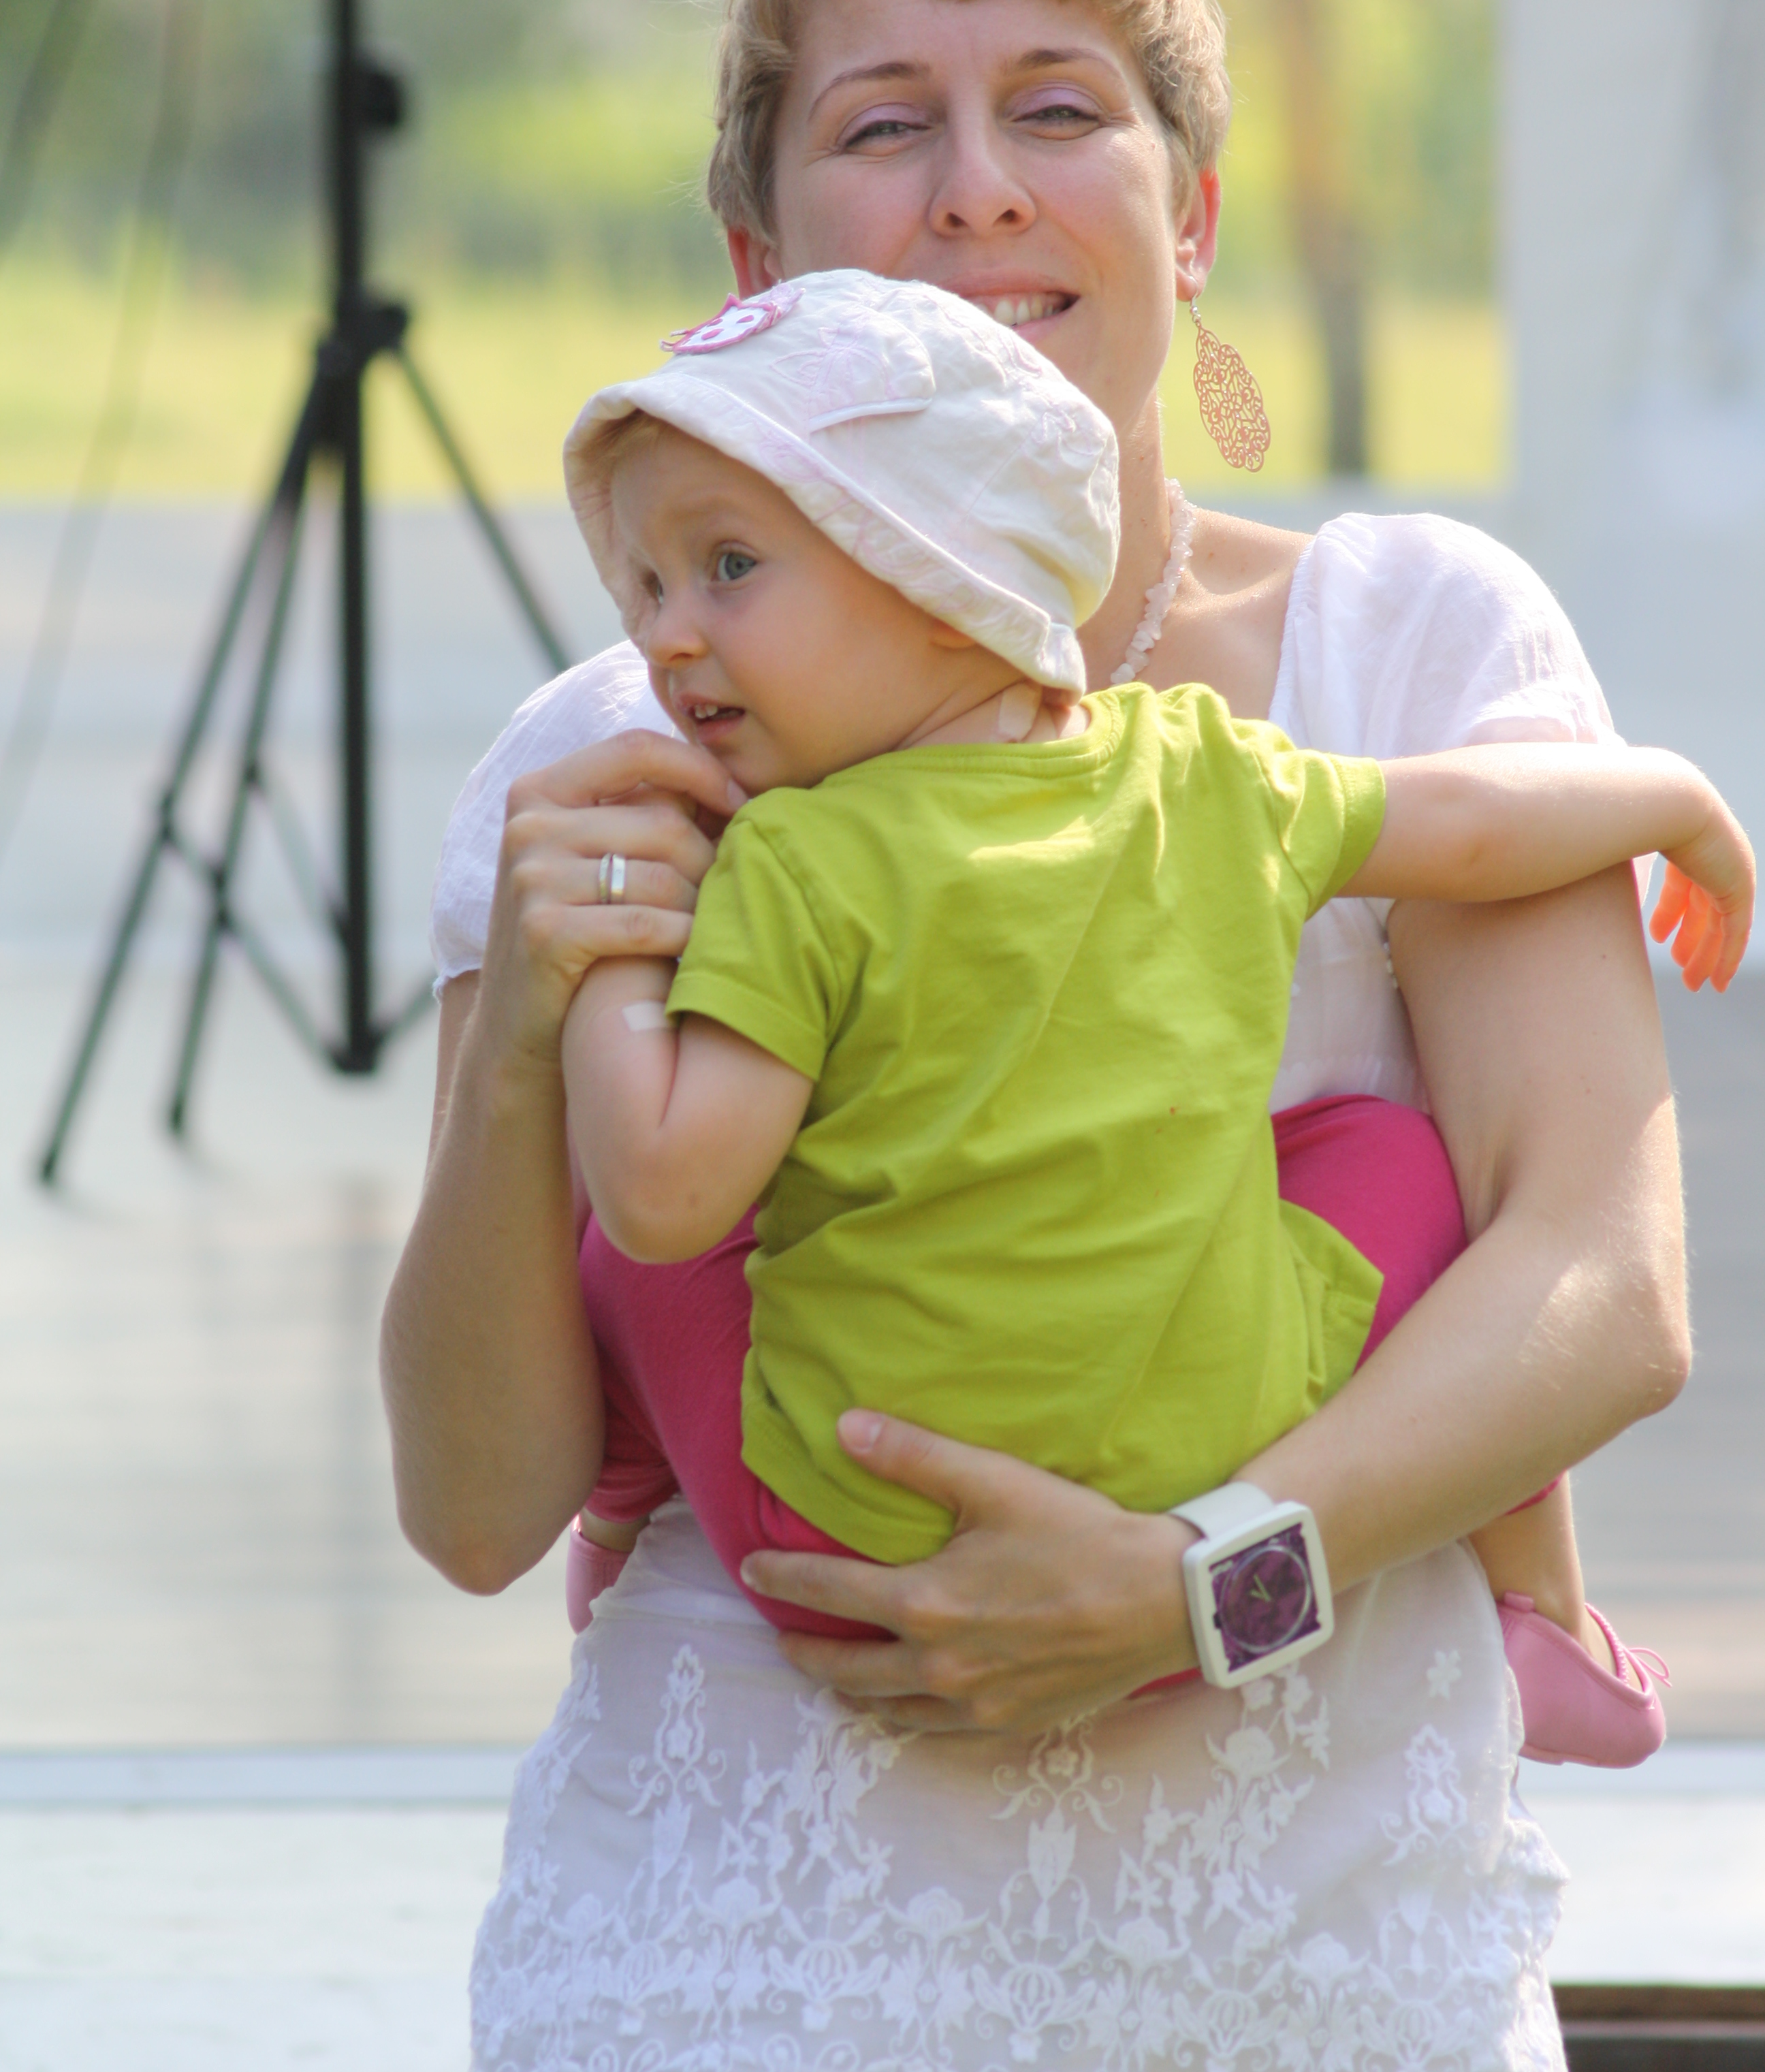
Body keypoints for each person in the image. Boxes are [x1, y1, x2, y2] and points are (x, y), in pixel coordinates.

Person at [382, 0, 1696, 2072]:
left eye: (1059, 107)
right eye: (883, 124)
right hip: (731, 2059)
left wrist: (1207, 1578)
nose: (979, 187)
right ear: (755, 275)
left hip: (1307, 2063)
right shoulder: (605, 747)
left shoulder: (1411, 636)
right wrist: (533, 1020)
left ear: (1188, 216)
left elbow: (1603, 1278)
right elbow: (474, 1501)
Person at [549, 268, 1740, 1781]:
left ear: (944, 579)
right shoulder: (1202, 772)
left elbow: (663, 1194)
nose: (668, 639)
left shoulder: (787, 862)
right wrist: (1673, 798)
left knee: (629, 1248)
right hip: (1203, 1483)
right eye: (648, 589)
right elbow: (1475, 824)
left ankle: (622, 1505)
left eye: (727, 568)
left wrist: (611, 960)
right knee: (1391, 1153)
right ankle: (1543, 1606)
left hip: (860, 1557)